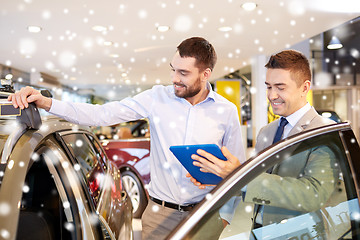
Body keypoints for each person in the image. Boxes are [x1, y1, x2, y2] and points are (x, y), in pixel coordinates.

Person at [9, 37, 246, 239]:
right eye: (173, 69)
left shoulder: (226, 111)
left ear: (205, 74)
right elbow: (102, 114)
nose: (174, 78)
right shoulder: (157, 98)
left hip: (205, 214)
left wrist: (225, 217)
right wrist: (47, 103)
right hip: (160, 216)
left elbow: (237, 168)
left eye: (183, 73)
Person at [189, 49, 337, 229]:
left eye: (280, 88)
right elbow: (257, 184)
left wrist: (241, 176)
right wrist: (218, 176)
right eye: (269, 86)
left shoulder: (324, 132)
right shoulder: (267, 132)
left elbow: (314, 195)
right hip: (260, 232)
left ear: (305, 88)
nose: (272, 95)